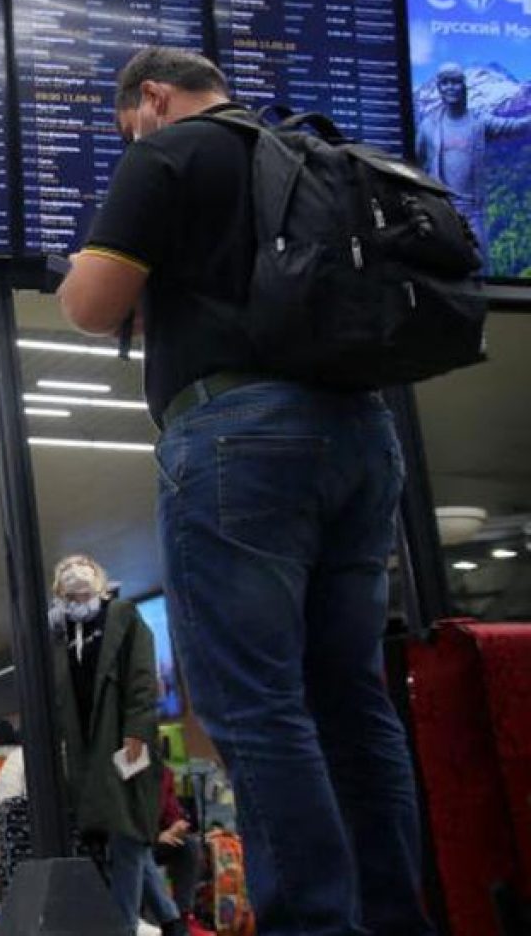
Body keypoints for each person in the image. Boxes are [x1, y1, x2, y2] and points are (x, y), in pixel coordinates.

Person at [59, 47, 431, 936]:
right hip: (362, 434)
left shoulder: (169, 152)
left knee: (255, 703)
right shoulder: (304, 153)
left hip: (239, 438)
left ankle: (313, 923)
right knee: (352, 699)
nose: (132, 139)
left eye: (128, 125)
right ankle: (395, 919)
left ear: (153, 98)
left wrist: (79, 269)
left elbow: (93, 306)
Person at [46, 555, 162, 926]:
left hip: (120, 737)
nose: (75, 570)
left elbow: (142, 677)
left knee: (128, 832)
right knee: (100, 835)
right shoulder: (59, 631)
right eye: (66, 568)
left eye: (83, 564)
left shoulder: (123, 616)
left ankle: (124, 924)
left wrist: (137, 730)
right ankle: (149, 920)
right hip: (82, 747)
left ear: (100, 578)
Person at [415, 61, 531, 246]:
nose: (450, 88)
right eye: (445, 83)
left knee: (478, 259)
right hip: (441, 209)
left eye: (455, 82)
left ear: (464, 85)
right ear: (439, 87)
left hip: (472, 211)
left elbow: (513, 127)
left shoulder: (479, 122)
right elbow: (415, 166)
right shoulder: (428, 126)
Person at [145, 766, 201, 934]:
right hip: (134, 838)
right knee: (138, 852)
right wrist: (155, 836)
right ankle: (157, 917)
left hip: (157, 838)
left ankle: (181, 918)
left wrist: (176, 826)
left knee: (188, 846)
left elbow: (172, 813)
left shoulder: (164, 773)